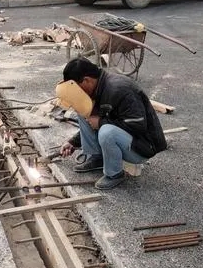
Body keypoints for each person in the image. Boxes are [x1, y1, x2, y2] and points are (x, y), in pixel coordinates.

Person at [58, 57, 167, 189]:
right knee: (84, 112)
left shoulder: (119, 89)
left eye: (78, 88)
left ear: (87, 80)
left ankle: (114, 174)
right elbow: (93, 120)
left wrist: (101, 122)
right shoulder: (99, 88)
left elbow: (138, 126)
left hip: (143, 147)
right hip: (128, 139)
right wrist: (72, 142)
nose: (78, 92)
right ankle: (98, 158)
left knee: (107, 132)